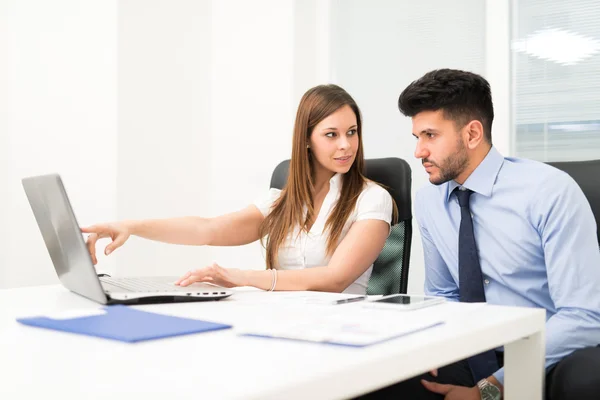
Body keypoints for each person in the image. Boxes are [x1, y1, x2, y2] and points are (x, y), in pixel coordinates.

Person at [360, 69, 600, 400]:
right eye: (418, 137)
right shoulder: (431, 197)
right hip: (473, 348)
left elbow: (584, 316)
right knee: (378, 380)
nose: (419, 151)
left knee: (585, 379)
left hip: (545, 350)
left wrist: (490, 388)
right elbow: (445, 294)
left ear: (472, 133)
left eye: (430, 135)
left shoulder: (550, 192)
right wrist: (427, 345)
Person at [83, 84, 395, 295]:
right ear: (306, 140)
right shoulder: (281, 203)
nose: (346, 144)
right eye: (332, 134)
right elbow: (207, 230)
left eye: (352, 132)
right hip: (282, 323)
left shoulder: (372, 199)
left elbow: (334, 279)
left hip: (344, 328)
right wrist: (130, 226)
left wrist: (240, 278)